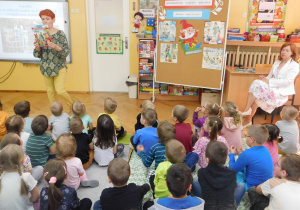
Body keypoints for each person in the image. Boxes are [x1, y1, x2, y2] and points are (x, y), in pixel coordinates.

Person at [242, 43, 299, 126]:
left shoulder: (295, 66)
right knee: (257, 89)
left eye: (287, 50)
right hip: (271, 88)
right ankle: (247, 119)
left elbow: (286, 82)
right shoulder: (277, 62)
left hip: (281, 93)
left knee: (256, 88)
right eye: (283, 50)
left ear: (292, 53)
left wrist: (268, 81)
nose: (284, 52)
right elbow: (270, 77)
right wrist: (264, 79)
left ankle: (246, 112)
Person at [33, 9, 72, 106]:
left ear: (53, 20)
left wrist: (56, 47)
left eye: (47, 18)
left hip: (59, 67)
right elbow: (37, 54)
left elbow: (66, 52)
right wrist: (37, 47)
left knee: (60, 90)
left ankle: (74, 107)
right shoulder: (40, 34)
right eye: (43, 19)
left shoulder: (60, 34)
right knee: (50, 92)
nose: (45, 21)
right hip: (46, 67)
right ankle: (55, 112)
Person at [192, 141, 245, 209]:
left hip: (208, 207)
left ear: (207, 159)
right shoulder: (232, 173)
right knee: (241, 186)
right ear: (226, 159)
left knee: (195, 182)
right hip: (227, 207)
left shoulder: (201, 172)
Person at [229, 125, 273, 191]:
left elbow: (231, 170)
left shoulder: (247, 153)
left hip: (252, 187)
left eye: (246, 136)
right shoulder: (266, 150)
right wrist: (241, 156)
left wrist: (232, 154)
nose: (245, 137)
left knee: (228, 175)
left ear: (252, 139)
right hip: (266, 185)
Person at [0, 144, 39, 210]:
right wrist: (30, 200)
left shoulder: (1, 178)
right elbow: (36, 196)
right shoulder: (26, 177)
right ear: (22, 162)